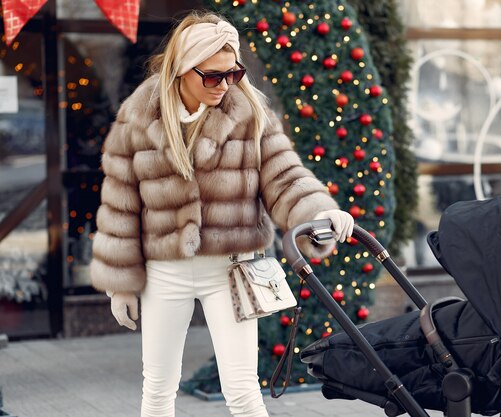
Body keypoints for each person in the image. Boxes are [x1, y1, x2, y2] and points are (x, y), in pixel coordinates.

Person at [89, 10, 354, 417]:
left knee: (243, 391)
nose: (224, 84)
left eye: (232, 73)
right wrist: (120, 282)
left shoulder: (249, 112)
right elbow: (119, 202)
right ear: (181, 70)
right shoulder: (139, 117)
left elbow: (284, 176)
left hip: (233, 271)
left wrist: (320, 214)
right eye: (212, 75)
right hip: (164, 271)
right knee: (157, 390)